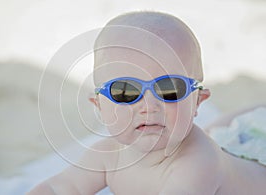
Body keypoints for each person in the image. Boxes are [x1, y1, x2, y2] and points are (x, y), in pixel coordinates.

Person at [27, 11, 266, 194]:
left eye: (170, 89)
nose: (149, 105)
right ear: (99, 106)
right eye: (125, 91)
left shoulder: (198, 164)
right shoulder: (107, 154)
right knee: (223, 132)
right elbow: (63, 186)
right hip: (231, 151)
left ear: (197, 102)